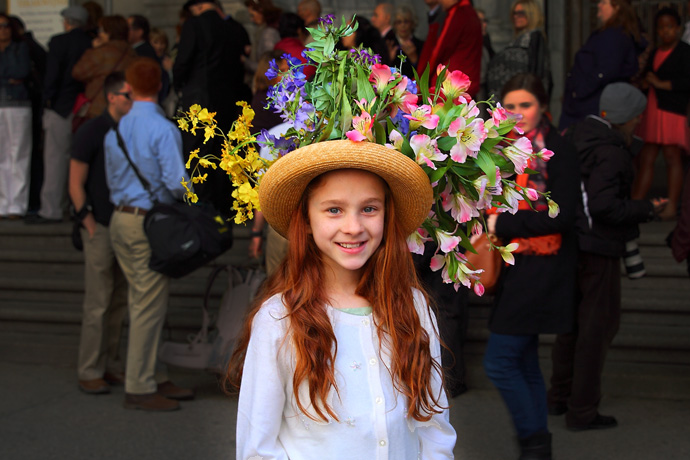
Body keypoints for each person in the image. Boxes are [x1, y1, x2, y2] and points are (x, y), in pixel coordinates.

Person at [227, 140, 456, 459]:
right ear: (306, 220)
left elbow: (435, 429)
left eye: (369, 208)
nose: (353, 227)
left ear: (386, 215)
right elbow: (257, 448)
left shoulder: (413, 306)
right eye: (334, 209)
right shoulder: (279, 319)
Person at [548, 82, 667, 431]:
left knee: (570, 326)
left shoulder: (575, 135)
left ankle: (558, 397)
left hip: (572, 243)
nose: (640, 121)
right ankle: (582, 411)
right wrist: (649, 209)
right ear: (627, 118)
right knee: (597, 329)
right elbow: (604, 206)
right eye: (638, 116)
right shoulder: (612, 151)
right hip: (598, 248)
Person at [482, 73, 580, 459]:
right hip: (515, 264)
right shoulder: (505, 148)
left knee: (500, 361)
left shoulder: (558, 149)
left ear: (542, 107)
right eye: (510, 106)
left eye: (526, 105)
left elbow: (563, 216)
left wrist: (501, 223)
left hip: (544, 266)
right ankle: (537, 442)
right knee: (522, 361)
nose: (518, 113)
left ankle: (533, 444)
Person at [104, 57, 193, 411]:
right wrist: (195, 196)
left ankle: (155, 375)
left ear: (128, 86)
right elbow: (175, 182)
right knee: (146, 305)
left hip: (120, 218)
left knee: (143, 301)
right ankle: (140, 386)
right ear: (160, 85)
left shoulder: (118, 127)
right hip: (148, 222)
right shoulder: (162, 128)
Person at [70, 71, 131, 394]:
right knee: (98, 300)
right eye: (127, 95)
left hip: (122, 224)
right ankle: (90, 368)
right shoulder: (92, 130)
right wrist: (88, 222)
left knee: (119, 298)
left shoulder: (128, 129)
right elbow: (75, 180)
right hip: (100, 225)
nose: (131, 101)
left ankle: (111, 364)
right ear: (111, 97)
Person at [174, 0, 249, 214]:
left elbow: (183, 60)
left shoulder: (194, 25)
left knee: (197, 151)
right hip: (227, 99)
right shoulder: (233, 28)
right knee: (222, 150)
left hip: (199, 98)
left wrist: (178, 84)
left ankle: (203, 206)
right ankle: (224, 205)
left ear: (197, 6)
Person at [26, 6, 91, 224]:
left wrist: (48, 99)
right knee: (83, 158)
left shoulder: (59, 42)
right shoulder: (89, 42)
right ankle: (78, 206)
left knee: (55, 159)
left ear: (67, 21)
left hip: (61, 106)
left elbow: (52, 74)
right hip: (85, 106)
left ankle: (52, 208)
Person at [632, 7, 690, 221]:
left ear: (677, 28)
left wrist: (662, 84)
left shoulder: (684, 52)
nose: (665, 32)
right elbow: (647, 75)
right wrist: (647, 83)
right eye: (661, 28)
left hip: (672, 111)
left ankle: (672, 204)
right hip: (653, 110)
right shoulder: (655, 51)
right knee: (646, 156)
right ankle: (636, 203)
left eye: (669, 27)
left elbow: (686, 81)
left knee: (672, 157)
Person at [559, 0, 644, 130]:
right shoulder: (609, 33)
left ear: (617, 7)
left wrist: (579, 92)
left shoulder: (613, 35)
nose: (599, 5)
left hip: (590, 106)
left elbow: (606, 70)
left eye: (604, 2)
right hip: (587, 103)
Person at [72, 15, 137, 120]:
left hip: (98, 108)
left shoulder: (100, 53)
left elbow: (78, 72)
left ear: (109, 32)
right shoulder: (131, 53)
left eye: (101, 30)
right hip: (125, 108)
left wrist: (93, 50)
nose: (99, 33)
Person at [0, 12, 32, 220]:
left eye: (5, 26)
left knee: (18, 154)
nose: (2, 30)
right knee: (2, 155)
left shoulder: (20, 48)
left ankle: (17, 204)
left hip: (18, 104)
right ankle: (3, 203)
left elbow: (20, 72)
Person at [487, 0, 552, 100]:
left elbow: (539, 74)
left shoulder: (534, 39)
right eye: (514, 13)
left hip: (520, 100)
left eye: (521, 13)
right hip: (504, 99)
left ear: (532, 14)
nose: (516, 16)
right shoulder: (519, 39)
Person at [416, 0, 482, 97]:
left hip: (451, 88)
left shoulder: (458, 14)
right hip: (464, 85)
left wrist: (420, 80)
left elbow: (438, 51)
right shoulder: (469, 13)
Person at [244, 0, 282, 78]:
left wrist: (244, 61)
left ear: (261, 12)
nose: (252, 19)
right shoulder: (263, 31)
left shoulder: (268, 33)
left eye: (252, 15)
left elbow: (266, 66)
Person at [393, 5, 424, 79]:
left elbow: (424, 73)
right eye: (399, 22)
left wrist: (414, 59)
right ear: (394, 25)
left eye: (406, 22)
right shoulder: (389, 45)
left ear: (412, 24)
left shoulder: (421, 45)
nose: (403, 25)